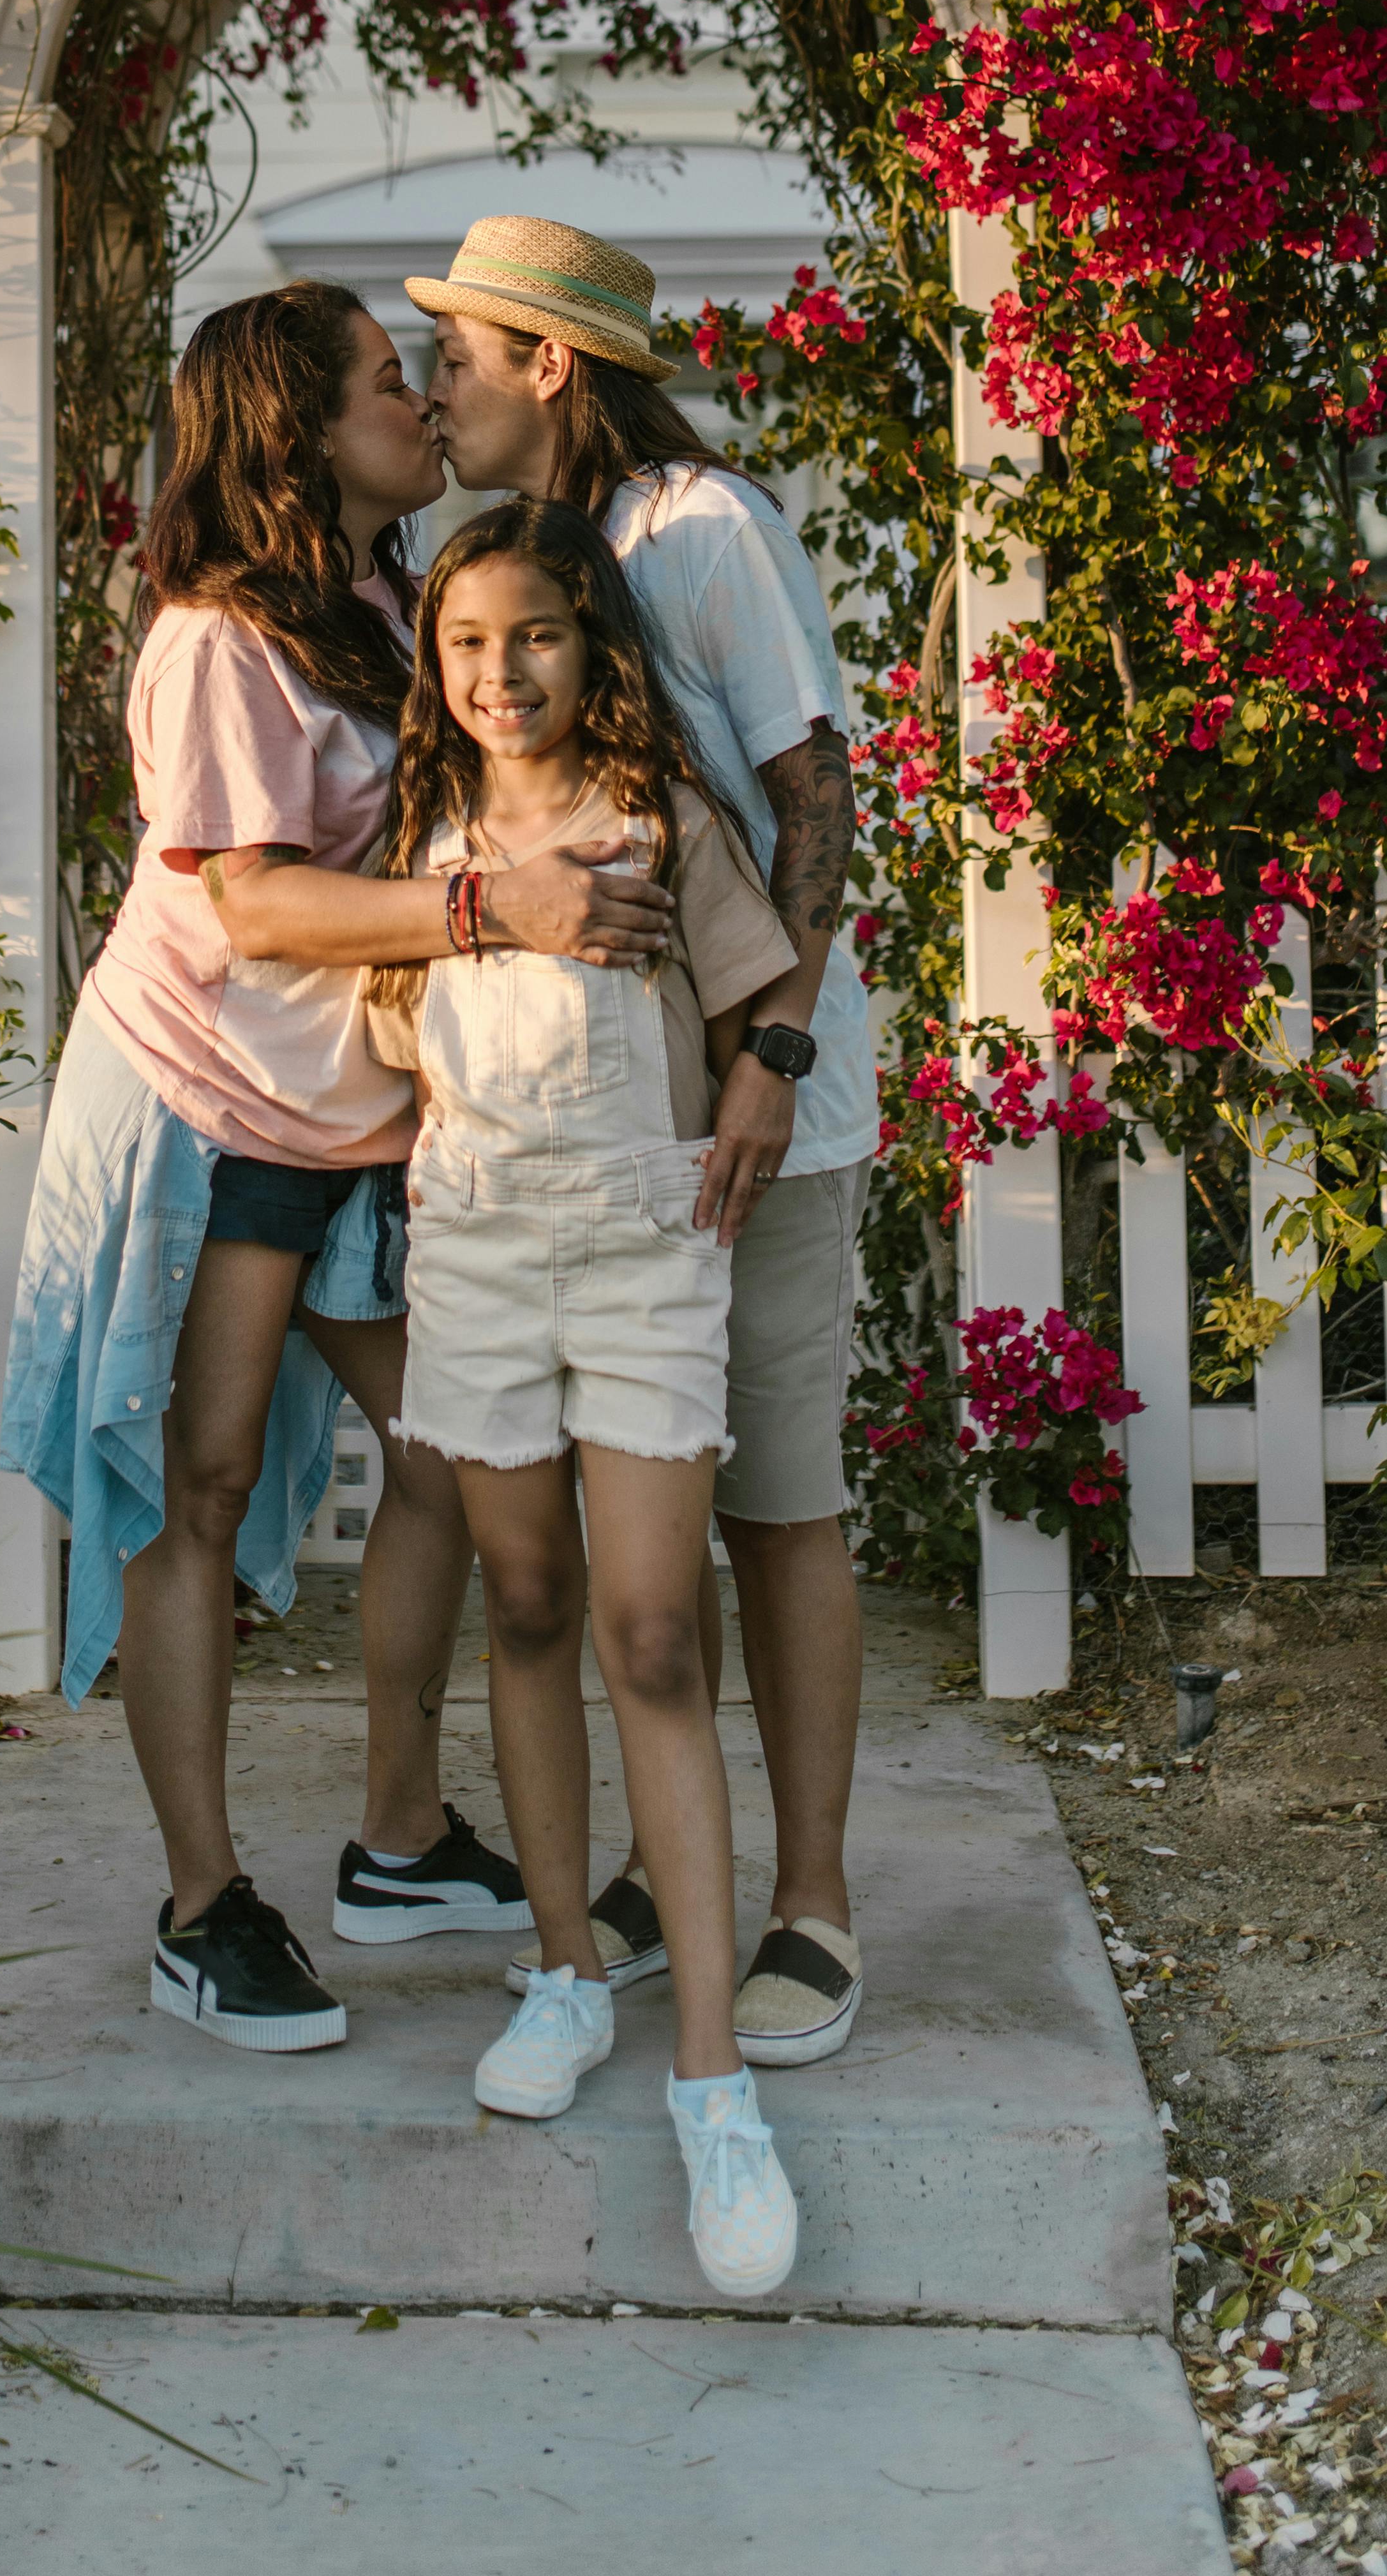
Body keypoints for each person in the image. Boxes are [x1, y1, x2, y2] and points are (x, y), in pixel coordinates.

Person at [0, 278, 679, 2057]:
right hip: (206, 1107)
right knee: (195, 1492)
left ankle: (395, 1834)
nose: (420, 405)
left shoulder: (383, 598)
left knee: (451, 1456)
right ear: (293, 428)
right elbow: (253, 902)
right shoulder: (211, 642)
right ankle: (204, 1906)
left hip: (358, 1111)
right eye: (390, 381)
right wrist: (495, 907)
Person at [408, 214, 875, 2070]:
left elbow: (811, 795)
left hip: (757, 1112)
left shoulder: (693, 524)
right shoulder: (531, 566)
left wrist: (771, 1050)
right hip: (600, 1144)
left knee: (773, 1502)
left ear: (545, 362)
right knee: (625, 1537)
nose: (431, 383)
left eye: (455, 354)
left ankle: (811, 1905)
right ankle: (634, 1886)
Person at [369, 496, 801, 2297]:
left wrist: (763, 1073)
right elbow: (383, 1013)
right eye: (466, 644)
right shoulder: (423, 835)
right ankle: (563, 1963)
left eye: (531, 634)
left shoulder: (663, 818)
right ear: (435, 667)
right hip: (474, 1256)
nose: (500, 671)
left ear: (586, 643)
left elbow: (757, 988)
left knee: (648, 1631)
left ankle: (711, 2081)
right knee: (524, 1600)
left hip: (640, 1252)